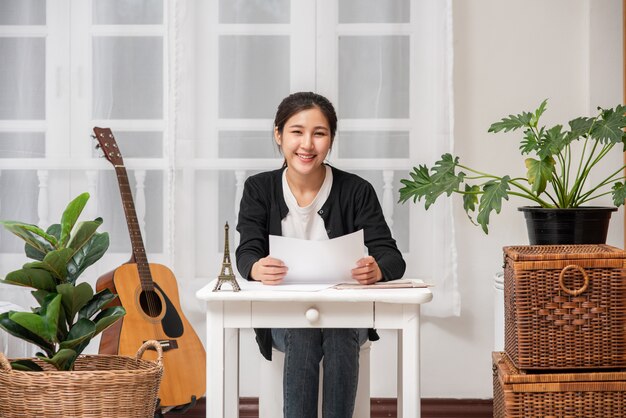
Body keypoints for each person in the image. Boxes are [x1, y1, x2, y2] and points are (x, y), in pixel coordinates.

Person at [236, 91, 405, 418]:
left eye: (319, 133)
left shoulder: (356, 190)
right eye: (297, 132)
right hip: (285, 317)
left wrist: (378, 269)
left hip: (345, 315)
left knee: (341, 330)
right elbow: (247, 252)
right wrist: (257, 268)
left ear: (331, 140)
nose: (307, 144)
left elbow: (392, 256)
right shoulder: (259, 189)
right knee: (303, 331)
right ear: (278, 134)